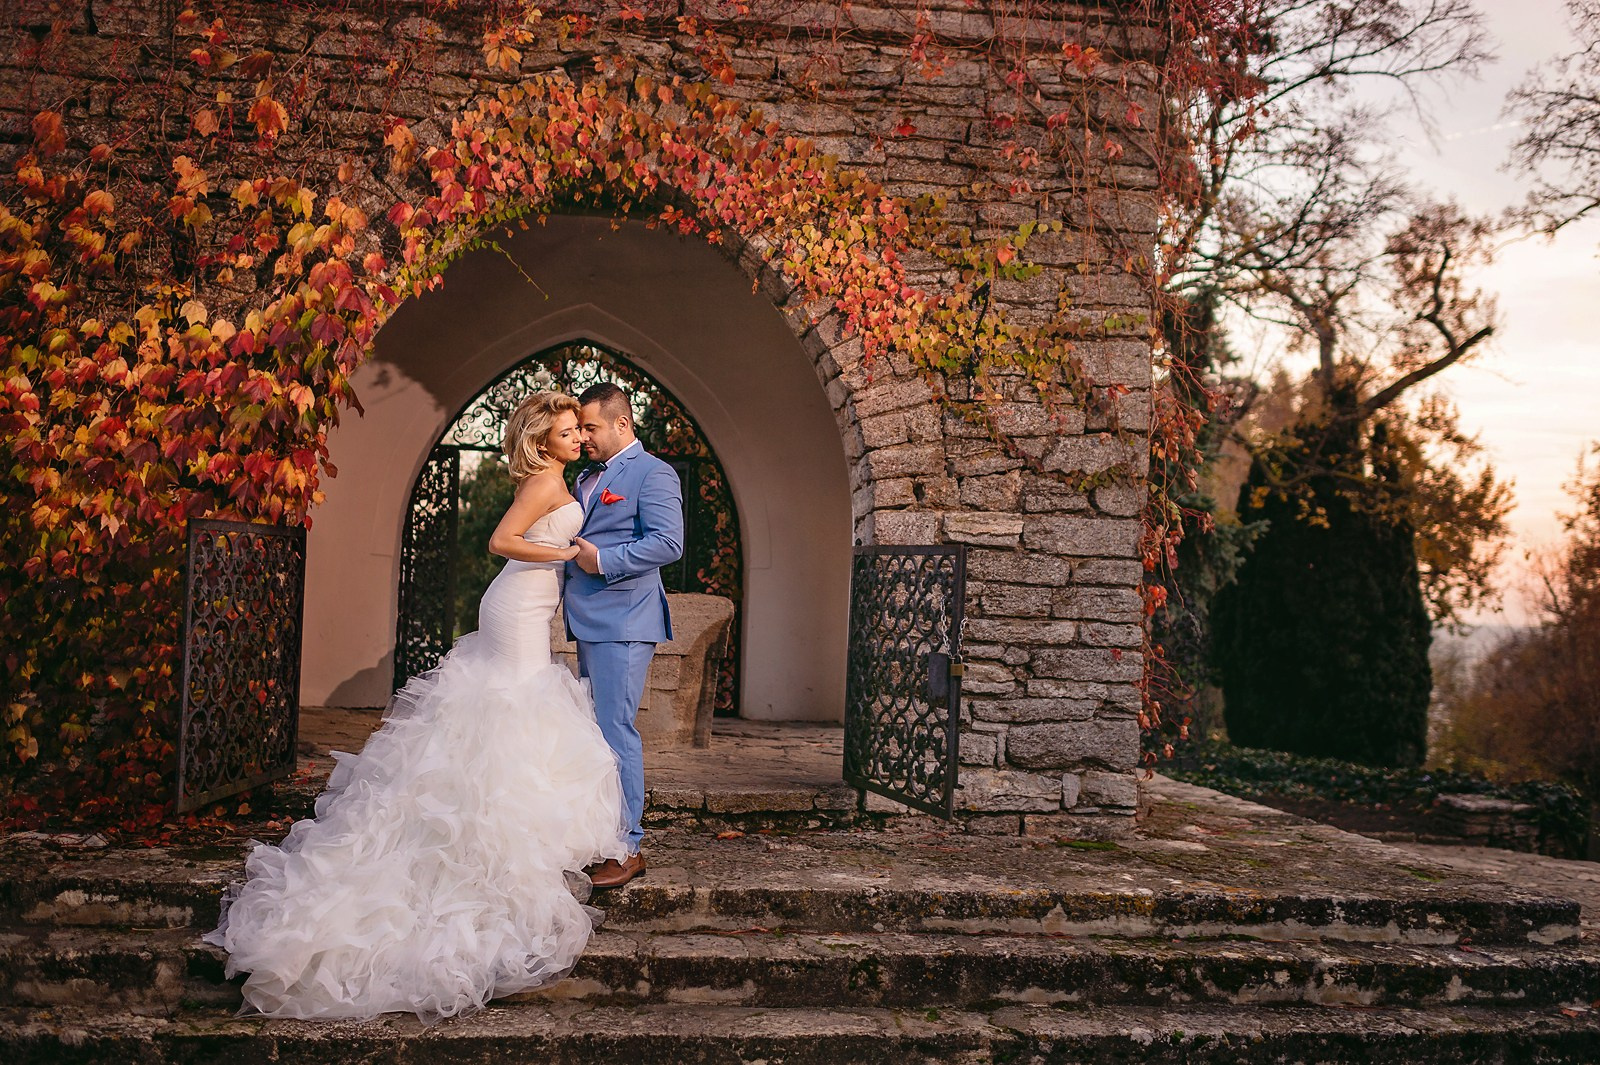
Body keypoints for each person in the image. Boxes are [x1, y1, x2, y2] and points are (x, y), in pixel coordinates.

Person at [203, 391, 631, 1023]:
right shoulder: (543, 482)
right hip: (517, 603)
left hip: (532, 603)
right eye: (568, 432)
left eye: (578, 431)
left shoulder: (562, 477)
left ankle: (511, 821)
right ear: (544, 442)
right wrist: (566, 553)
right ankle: (485, 826)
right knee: (511, 705)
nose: (577, 439)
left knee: (522, 706)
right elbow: (501, 540)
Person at [565, 381, 685, 889]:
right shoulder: (587, 476)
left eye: (591, 427)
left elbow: (668, 543)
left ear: (622, 423)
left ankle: (629, 845)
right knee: (594, 733)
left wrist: (604, 560)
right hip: (589, 618)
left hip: (625, 620)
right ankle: (600, 834)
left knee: (616, 731)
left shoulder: (653, 473)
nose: (584, 437)